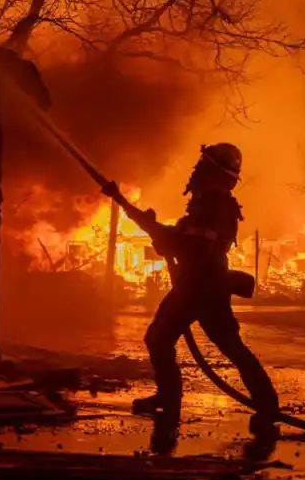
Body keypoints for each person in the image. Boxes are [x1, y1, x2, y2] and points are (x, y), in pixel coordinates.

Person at [102, 144, 280, 433]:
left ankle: (263, 405)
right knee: (217, 346)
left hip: (201, 286)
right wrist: (125, 204)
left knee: (165, 340)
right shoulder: (206, 204)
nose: (196, 171)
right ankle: (262, 405)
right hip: (198, 285)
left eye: (203, 166)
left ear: (216, 174)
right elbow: (179, 238)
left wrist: (165, 240)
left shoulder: (217, 207)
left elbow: (195, 246)